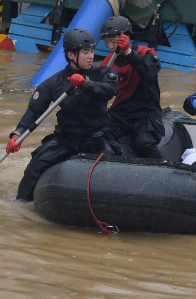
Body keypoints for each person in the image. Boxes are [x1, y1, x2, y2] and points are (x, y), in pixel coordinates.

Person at [8, 28, 119, 201]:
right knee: (34, 168)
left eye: (92, 51)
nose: (91, 56)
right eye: (85, 52)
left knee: (114, 169)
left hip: (97, 138)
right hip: (66, 139)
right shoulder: (55, 82)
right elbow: (34, 112)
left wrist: (86, 84)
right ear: (71, 55)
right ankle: (20, 205)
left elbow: (110, 90)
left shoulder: (103, 73)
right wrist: (17, 135)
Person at [100, 16, 164, 159]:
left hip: (146, 114)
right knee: (98, 131)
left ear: (126, 37)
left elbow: (148, 72)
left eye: (114, 41)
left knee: (144, 144)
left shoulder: (147, 53)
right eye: (107, 42)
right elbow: (104, 91)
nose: (111, 47)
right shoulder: (108, 62)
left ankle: (162, 166)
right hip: (120, 114)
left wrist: (129, 53)